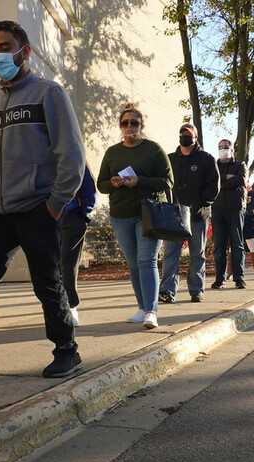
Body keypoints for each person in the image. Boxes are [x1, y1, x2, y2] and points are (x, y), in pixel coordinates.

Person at [0, 21, 86, 380]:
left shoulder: (48, 93)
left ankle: (67, 352)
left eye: (5, 46)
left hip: (37, 208)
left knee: (47, 282)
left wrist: (54, 204)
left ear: (24, 51)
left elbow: (72, 155)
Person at [97, 104, 173, 328]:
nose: (129, 126)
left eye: (134, 122)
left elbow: (168, 181)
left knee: (146, 260)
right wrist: (112, 183)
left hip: (148, 213)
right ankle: (142, 308)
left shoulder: (153, 149)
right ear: (120, 126)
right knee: (133, 263)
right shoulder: (112, 152)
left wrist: (140, 181)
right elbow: (101, 184)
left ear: (141, 125)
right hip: (120, 215)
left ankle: (151, 311)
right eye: (125, 123)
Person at [159, 124, 219, 301]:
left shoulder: (206, 159)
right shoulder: (169, 159)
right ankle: (167, 291)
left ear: (195, 137)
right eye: (182, 133)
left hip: (198, 215)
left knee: (197, 254)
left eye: (188, 133)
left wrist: (201, 204)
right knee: (171, 253)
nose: (184, 135)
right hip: (173, 216)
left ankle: (196, 290)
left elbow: (214, 187)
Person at [60, 164, 97, 325]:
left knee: (67, 263)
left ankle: (71, 305)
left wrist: (83, 213)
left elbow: (89, 187)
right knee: (50, 266)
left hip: (72, 217)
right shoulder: (38, 155)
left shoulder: (76, 158)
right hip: (45, 219)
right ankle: (56, 307)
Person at [210, 139, 247, 289]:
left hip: (235, 209)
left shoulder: (240, 165)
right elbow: (210, 182)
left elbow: (240, 180)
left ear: (232, 150)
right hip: (217, 209)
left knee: (237, 245)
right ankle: (220, 278)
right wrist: (228, 178)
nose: (223, 149)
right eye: (221, 147)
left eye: (226, 147)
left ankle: (239, 278)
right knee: (219, 246)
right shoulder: (213, 166)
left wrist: (221, 181)